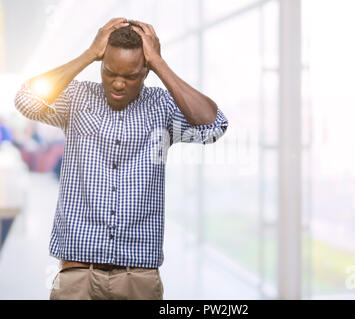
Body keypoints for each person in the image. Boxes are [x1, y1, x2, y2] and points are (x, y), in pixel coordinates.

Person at [14, 18, 228, 300]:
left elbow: (213, 127)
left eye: (130, 76)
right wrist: (89, 53)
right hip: (78, 273)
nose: (117, 83)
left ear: (145, 72)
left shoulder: (162, 106)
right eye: (109, 72)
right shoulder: (78, 97)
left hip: (137, 276)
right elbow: (26, 99)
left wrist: (160, 63)